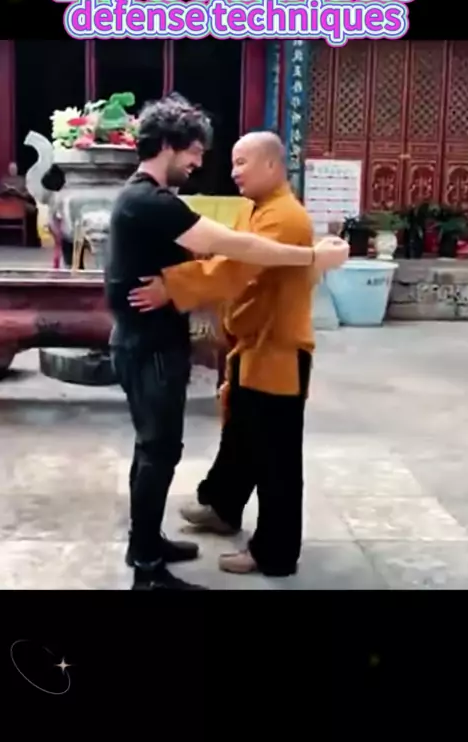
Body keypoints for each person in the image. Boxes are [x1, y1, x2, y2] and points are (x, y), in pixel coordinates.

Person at [106, 97, 348, 591]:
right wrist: (311, 257)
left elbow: (235, 264)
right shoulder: (153, 200)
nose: (217, 168)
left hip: (275, 349)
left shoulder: (281, 216)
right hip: (169, 344)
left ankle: (271, 551)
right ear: (169, 145)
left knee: (273, 456)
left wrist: (175, 286)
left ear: (272, 166)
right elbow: (231, 254)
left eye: (240, 162)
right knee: (178, 447)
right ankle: (150, 554)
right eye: (197, 152)